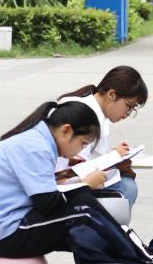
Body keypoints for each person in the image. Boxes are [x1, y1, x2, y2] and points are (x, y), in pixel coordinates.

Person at [0, 101, 153, 264]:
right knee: (83, 208)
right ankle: (148, 263)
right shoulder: (35, 147)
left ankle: (139, 260)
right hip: (7, 234)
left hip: (16, 223)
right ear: (66, 131)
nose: (79, 151)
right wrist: (84, 184)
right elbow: (48, 203)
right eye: (83, 143)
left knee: (88, 206)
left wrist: (75, 183)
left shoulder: (38, 140)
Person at [57, 66, 148, 206]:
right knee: (127, 188)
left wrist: (114, 156)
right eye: (128, 106)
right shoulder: (84, 114)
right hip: (66, 183)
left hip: (69, 178)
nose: (126, 114)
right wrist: (114, 157)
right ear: (111, 95)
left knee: (126, 184)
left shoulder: (96, 110)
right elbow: (76, 165)